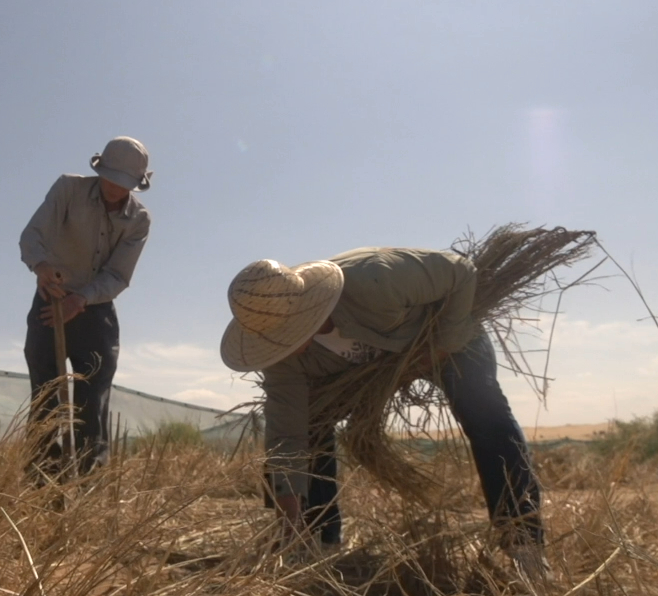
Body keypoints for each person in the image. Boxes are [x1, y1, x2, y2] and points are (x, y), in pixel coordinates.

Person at [220, 247, 547, 577]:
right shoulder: (281, 355)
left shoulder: (376, 279)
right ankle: (319, 540)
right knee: (312, 422)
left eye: (286, 335)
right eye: (275, 339)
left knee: (484, 413)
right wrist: (289, 522)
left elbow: (461, 271)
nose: (282, 345)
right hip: (370, 366)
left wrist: (439, 348)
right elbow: (286, 436)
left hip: (440, 337)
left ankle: (524, 542)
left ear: (308, 309)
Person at [19, 137, 153, 478]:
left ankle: (87, 484)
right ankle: (43, 482)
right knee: (46, 396)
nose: (113, 187)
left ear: (135, 184)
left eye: (122, 183)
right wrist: (42, 267)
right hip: (51, 301)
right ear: (99, 170)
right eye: (109, 177)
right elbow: (32, 236)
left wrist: (81, 299)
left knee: (92, 403)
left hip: (96, 312)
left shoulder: (139, 220)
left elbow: (118, 276)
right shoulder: (68, 189)